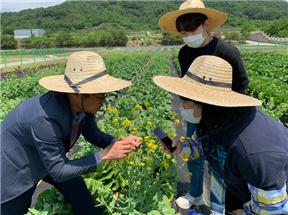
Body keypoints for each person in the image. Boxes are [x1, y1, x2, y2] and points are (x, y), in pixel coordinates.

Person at [0, 51, 141, 215]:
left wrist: (117, 143)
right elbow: (59, 171)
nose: (104, 102)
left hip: (47, 159)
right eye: (100, 96)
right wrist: (104, 155)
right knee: (18, 208)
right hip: (14, 170)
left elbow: (92, 134)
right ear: (76, 94)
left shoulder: (82, 108)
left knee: (78, 190)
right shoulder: (45, 118)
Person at [153, 55, 288, 214]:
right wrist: (182, 148)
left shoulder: (255, 151)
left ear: (204, 103)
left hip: (273, 199)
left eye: (184, 101)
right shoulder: (212, 118)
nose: (181, 106)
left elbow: (274, 209)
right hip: (239, 188)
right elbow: (204, 144)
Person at [159, 0, 249, 211]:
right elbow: (186, 85)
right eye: (183, 33)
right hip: (197, 115)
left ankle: (219, 205)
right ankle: (196, 195)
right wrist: (189, 110)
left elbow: (241, 86)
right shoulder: (184, 53)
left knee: (221, 163)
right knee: (194, 155)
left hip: (226, 118)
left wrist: (232, 118)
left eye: (192, 30)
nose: (188, 36)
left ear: (206, 24)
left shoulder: (227, 52)